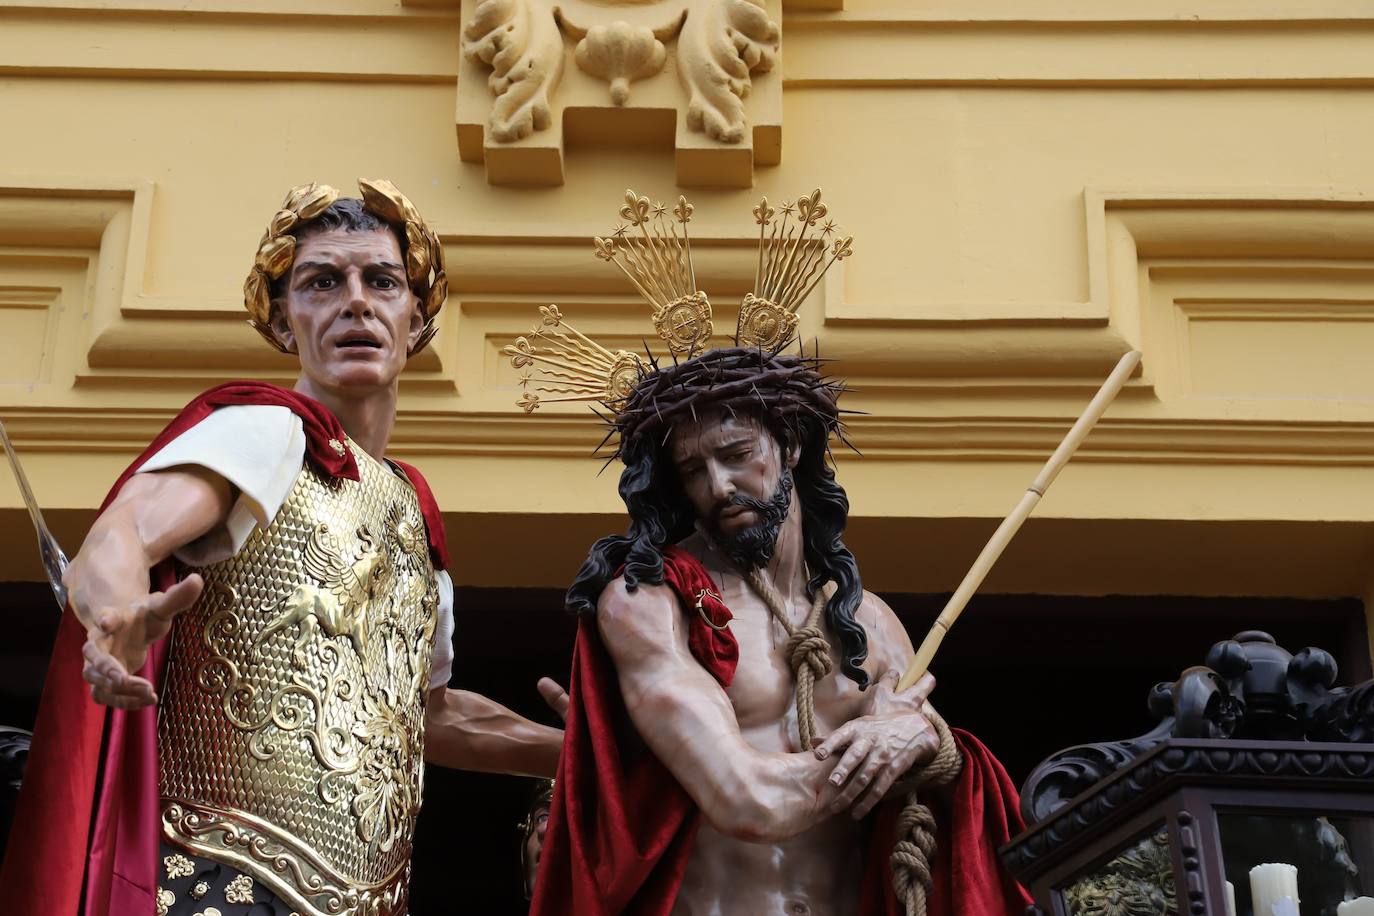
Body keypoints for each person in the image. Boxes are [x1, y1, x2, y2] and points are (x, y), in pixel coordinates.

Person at [0, 180, 563, 916]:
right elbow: (127, 531)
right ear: (284, 319)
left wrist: (583, 752)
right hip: (220, 881)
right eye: (321, 282)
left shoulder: (412, 511)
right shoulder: (264, 431)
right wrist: (110, 615)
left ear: (417, 316)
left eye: (381, 281)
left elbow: (423, 716)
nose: (354, 301)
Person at [512, 189, 1033, 915]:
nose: (718, 485)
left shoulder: (873, 625)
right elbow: (744, 798)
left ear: (788, 444)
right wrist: (889, 742)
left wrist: (925, 737)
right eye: (692, 470)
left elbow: (923, 797)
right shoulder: (651, 602)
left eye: (736, 453)